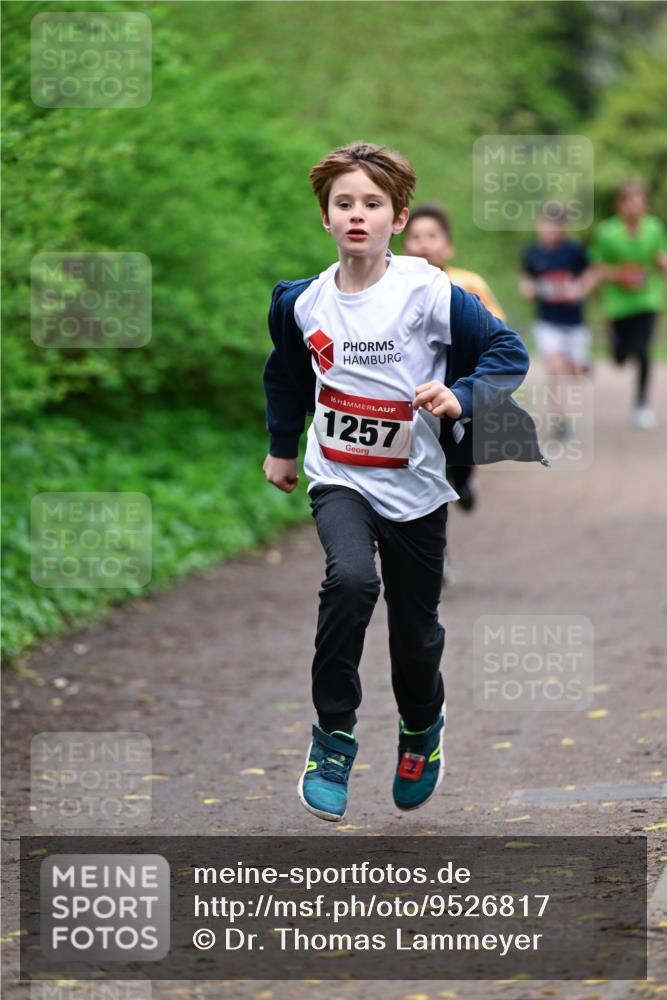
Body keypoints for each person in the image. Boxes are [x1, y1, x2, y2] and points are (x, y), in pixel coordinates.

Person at [262, 141, 543, 823]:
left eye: (372, 203)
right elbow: (287, 374)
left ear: (398, 217)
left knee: (414, 633)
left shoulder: (426, 291)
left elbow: (507, 351)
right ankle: (333, 740)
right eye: (344, 203)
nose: (357, 215)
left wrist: (460, 396)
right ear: (325, 217)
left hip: (415, 485)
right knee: (351, 581)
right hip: (339, 476)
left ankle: (421, 727)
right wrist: (281, 447)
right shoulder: (303, 302)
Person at [403, 203, 506, 518]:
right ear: (404, 246)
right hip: (416, 386)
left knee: (464, 443)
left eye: (432, 236)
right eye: (416, 236)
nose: (423, 243)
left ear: (448, 246)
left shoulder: (468, 283)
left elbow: (496, 327)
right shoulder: (397, 287)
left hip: (460, 382)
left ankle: (463, 478)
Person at [589, 180, 667, 429]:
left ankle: (641, 404)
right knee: (621, 358)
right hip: (618, 304)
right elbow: (598, 268)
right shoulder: (607, 232)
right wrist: (620, 275)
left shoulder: (654, 228)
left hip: (647, 299)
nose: (635, 207)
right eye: (630, 202)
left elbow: (660, 257)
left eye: (639, 202)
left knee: (643, 350)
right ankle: (614, 343)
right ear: (620, 205)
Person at [519, 202, 594, 439]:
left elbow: (592, 273)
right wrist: (528, 289)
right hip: (547, 322)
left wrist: (579, 288)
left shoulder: (574, 251)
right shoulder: (532, 253)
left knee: (575, 373)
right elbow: (526, 280)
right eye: (546, 225)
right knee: (554, 368)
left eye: (555, 226)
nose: (549, 230)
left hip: (574, 323)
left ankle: (583, 364)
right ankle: (559, 420)